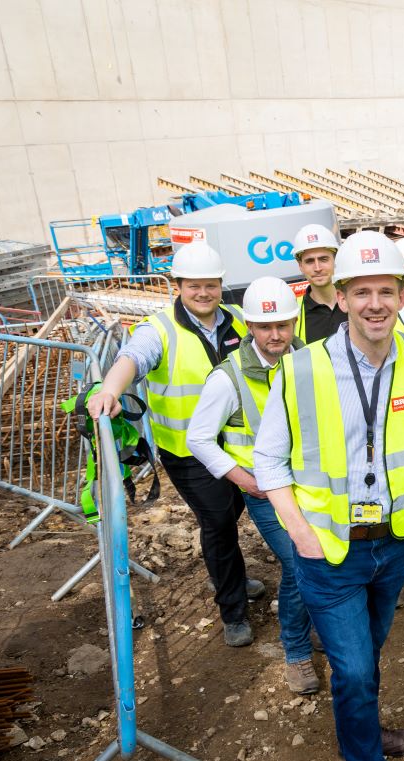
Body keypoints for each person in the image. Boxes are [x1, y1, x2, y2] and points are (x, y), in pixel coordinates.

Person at [253, 230, 404, 761]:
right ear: (344, 297)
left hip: (396, 540)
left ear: (402, 292)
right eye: (363, 292)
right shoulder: (302, 369)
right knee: (354, 670)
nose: (375, 303)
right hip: (330, 550)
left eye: (386, 290)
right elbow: (267, 459)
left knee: (368, 655)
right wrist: (300, 530)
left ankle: (363, 730)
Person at [86, 242, 259, 647]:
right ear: (177, 285)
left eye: (211, 285)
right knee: (217, 523)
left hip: (237, 446)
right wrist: (110, 390)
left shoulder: (236, 320)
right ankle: (233, 609)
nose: (203, 293)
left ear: (220, 285)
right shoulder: (158, 329)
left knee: (230, 516)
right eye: (194, 285)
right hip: (189, 453)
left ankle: (230, 573)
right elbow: (132, 358)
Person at [187, 276, 319, 694]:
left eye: (283, 324)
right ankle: (297, 653)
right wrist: (245, 480)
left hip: (312, 486)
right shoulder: (228, 379)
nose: (275, 334)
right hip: (267, 493)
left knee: (324, 559)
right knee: (300, 563)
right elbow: (198, 438)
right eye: (265, 327)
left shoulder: (311, 360)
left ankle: (316, 627)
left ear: (295, 321)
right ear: (249, 327)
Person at [292, 223, 348, 343]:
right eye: (310, 261)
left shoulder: (355, 302)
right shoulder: (293, 313)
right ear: (301, 266)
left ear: (335, 260)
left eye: (323, 259)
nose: (317, 268)